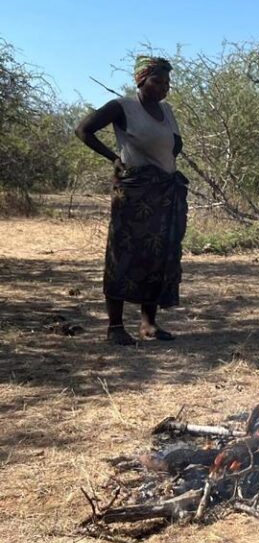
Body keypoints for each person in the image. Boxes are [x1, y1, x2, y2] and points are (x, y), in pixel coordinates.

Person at [75, 56, 189, 345]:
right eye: (158, 81)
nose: (164, 87)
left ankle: (148, 323)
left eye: (167, 82)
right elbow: (83, 130)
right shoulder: (123, 107)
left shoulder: (166, 110)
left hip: (163, 192)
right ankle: (115, 327)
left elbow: (174, 145)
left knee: (158, 256)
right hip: (135, 193)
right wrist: (115, 158)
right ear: (141, 80)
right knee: (123, 255)